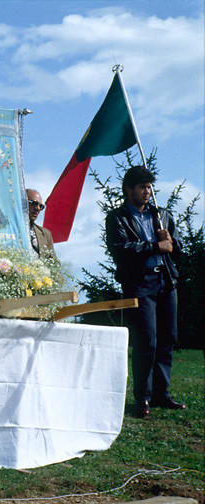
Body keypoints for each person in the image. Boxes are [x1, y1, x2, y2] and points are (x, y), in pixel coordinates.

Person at [106, 165, 185, 418]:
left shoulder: (162, 215)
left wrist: (171, 243)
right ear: (129, 189)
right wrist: (155, 245)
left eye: (149, 187)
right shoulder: (118, 218)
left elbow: (176, 245)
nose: (147, 192)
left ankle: (162, 394)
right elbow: (121, 248)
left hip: (166, 282)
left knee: (167, 338)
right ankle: (143, 398)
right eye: (142, 187)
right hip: (140, 284)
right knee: (146, 341)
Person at [26, 188, 58, 261]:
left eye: (40, 206)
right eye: (34, 203)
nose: (37, 208)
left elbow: (54, 262)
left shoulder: (45, 234)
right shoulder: (10, 228)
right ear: (23, 202)